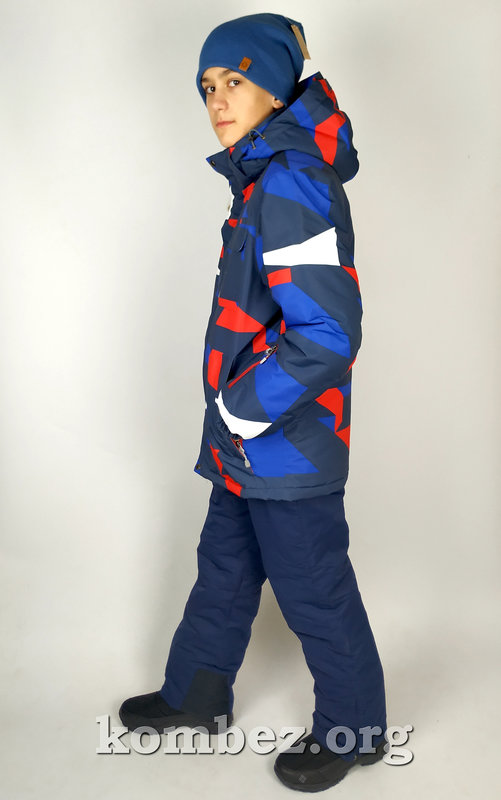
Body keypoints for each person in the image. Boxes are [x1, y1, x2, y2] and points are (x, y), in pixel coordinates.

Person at [119, 13, 387, 792]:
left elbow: (327, 332)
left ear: (274, 89)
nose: (216, 100)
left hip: (285, 443)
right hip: (245, 441)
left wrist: (241, 409)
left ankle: (356, 730)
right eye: (206, 86)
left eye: (233, 81)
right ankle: (197, 696)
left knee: (313, 587)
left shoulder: (292, 181)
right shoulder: (260, 179)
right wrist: (233, 421)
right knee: (225, 569)